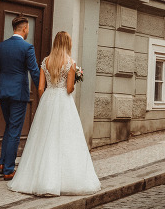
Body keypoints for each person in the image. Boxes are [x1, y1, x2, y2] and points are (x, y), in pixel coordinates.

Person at [8, 31, 101, 196]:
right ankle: (62, 179)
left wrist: (46, 100)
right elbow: (69, 88)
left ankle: (37, 179)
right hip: (63, 101)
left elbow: (40, 87)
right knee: (65, 137)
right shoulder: (70, 63)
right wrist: (76, 77)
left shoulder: (45, 61)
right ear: (68, 44)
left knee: (43, 137)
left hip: (48, 101)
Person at [0, 15, 41, 180]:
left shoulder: (1, 47)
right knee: (14, 130)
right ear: (25, 28)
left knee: (9, 128)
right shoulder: (27, 48)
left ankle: (2, 163)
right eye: (28, 29)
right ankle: (8, 169)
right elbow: (34, 71)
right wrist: (42, 90)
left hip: (3, 92)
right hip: (18, 94)